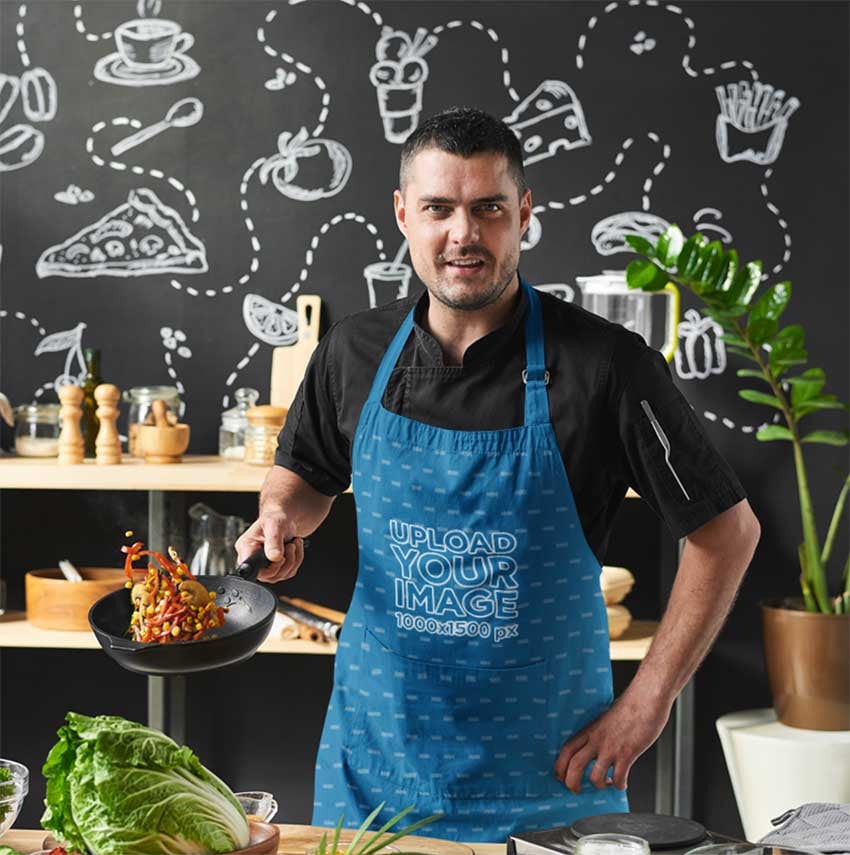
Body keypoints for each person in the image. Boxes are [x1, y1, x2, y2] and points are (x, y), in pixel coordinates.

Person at [235, 107, 760, 841]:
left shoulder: (606, 365)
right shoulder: (353, 351)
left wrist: (647, 703)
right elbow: (304, 474)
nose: (463, 234)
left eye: (488, 208)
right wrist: (281, 514)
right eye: (439, 209)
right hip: (375, 771)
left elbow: (726, 531)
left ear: (524, 214)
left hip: (547, 781)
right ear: (403, 215)